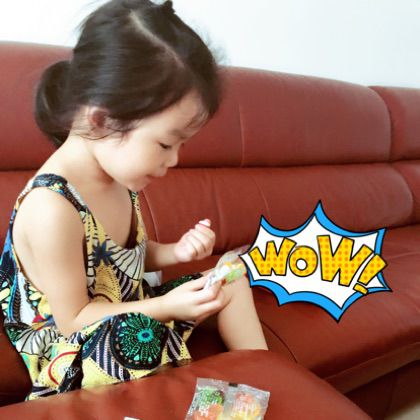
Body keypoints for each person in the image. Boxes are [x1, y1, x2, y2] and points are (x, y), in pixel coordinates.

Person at [0, 0, 268, 401]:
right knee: (138, 340)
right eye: (165, 143)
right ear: (102, 119)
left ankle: (265, 381)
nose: (174, 160)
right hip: (72, 347)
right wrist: (167, 307)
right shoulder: (51, 209)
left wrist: (177, 252)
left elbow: (121, 261)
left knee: (228, 280)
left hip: (128, 306)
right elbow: (74, 319)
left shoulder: (117, 174)